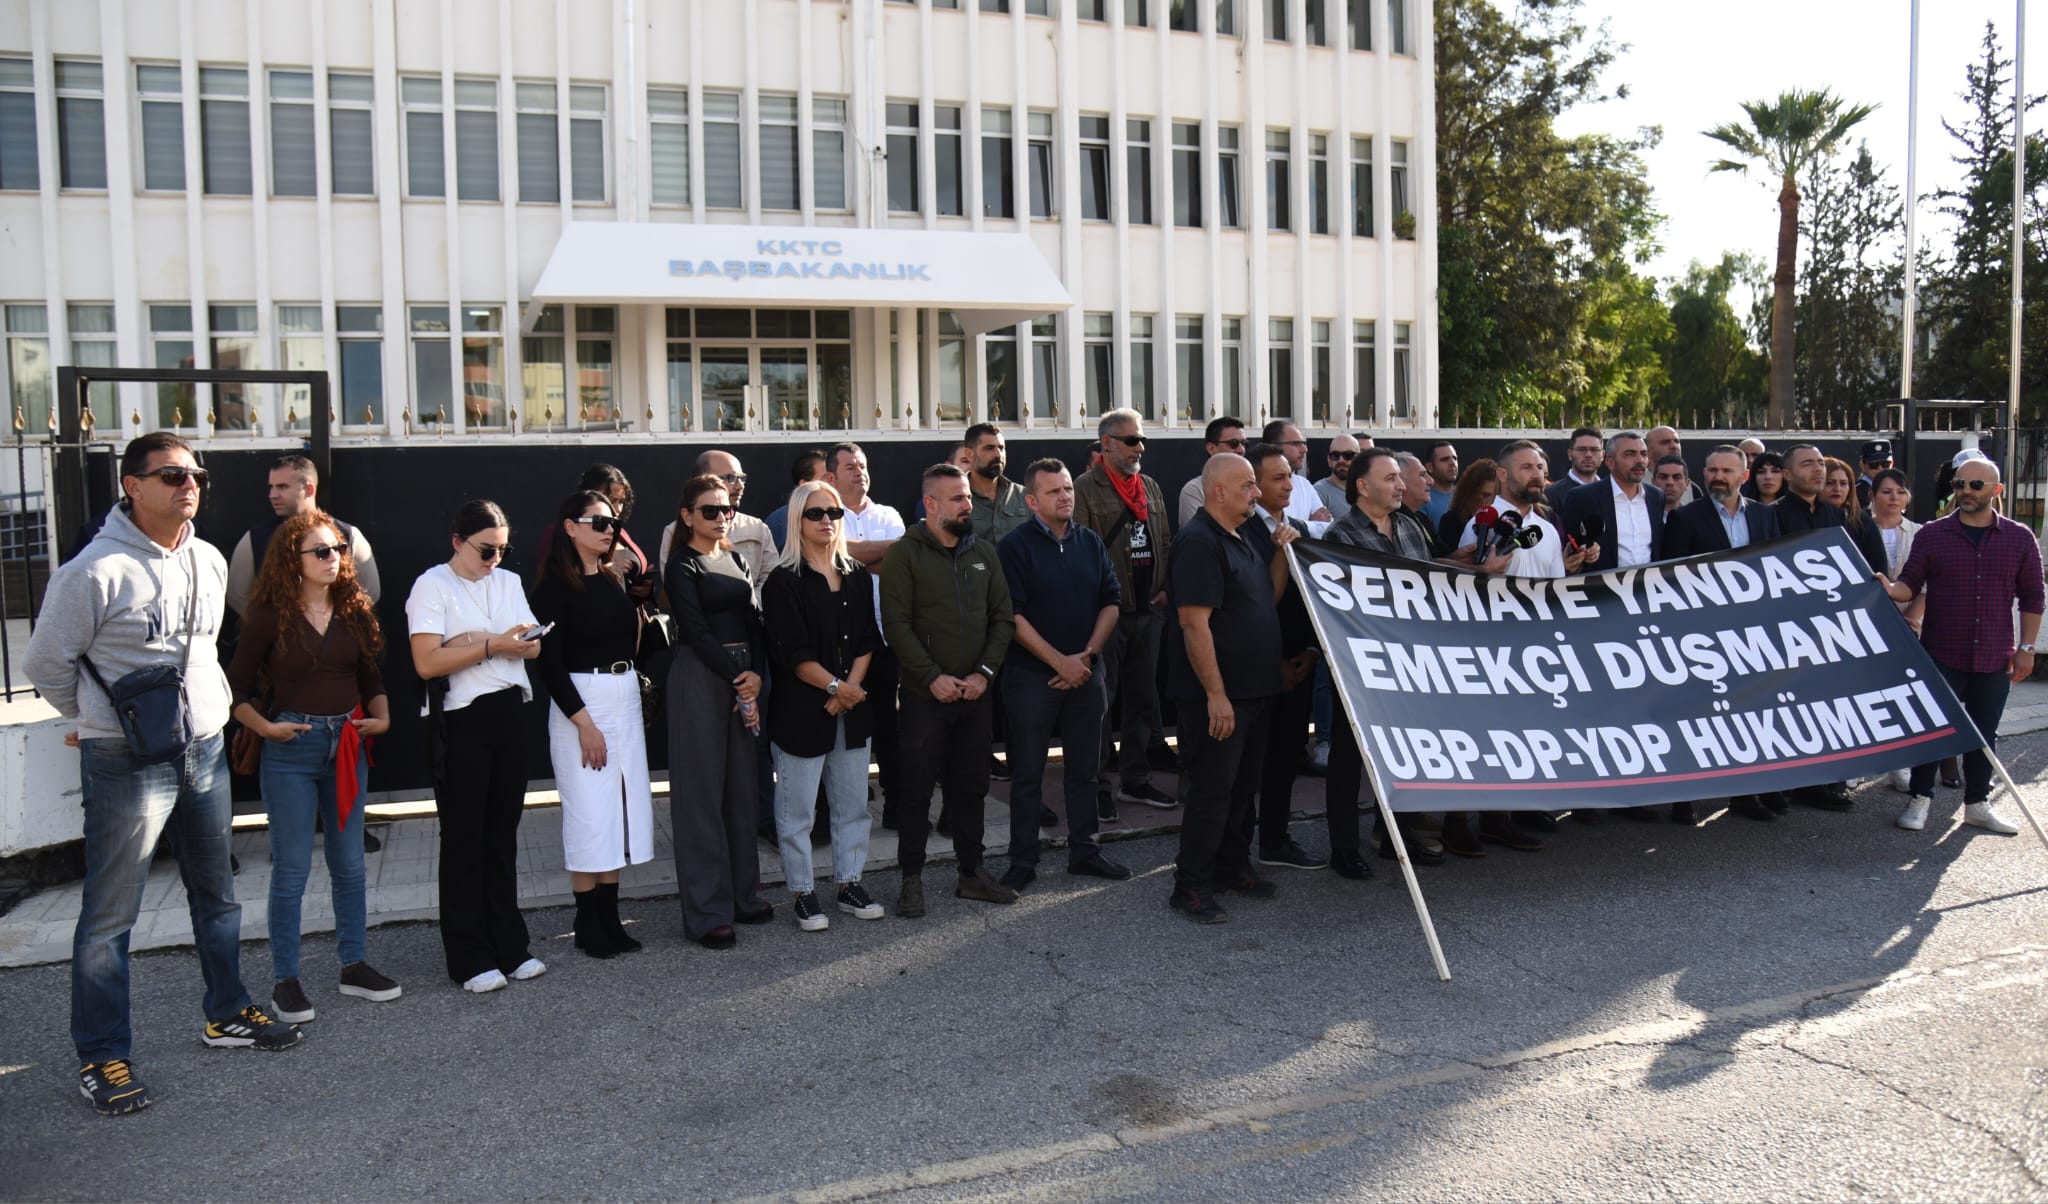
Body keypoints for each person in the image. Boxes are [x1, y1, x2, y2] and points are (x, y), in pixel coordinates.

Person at [25, 432, 302, 1116]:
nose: (190, 486)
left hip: (203, 747)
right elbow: (44, 666)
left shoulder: (208, 559)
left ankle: (228, 1010)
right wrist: (99, 715)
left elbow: (209, 651)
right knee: (110, 916)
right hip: (124, 758)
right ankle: (103, 1056)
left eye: (197, 475)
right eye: (172, 475)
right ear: (132, 485)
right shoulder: (91, 573)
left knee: (218, 895)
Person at [226, 508, 397, 1023]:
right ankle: (286, 980)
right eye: (321, 551)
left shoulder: (353, 609)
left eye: (339, 550)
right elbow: (231, 690)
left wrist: (382, 718)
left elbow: (371, 678)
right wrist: (265, 727)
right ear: (291, 560)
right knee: (292, 869)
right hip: (291, 748)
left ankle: (354, 964)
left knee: (348, 863)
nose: (334, 559)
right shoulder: (267, 617)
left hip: (345, 744)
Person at [406, 499, 548, 993]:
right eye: (486, 550)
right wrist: (491, 645)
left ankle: (510, 944)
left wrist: (481, 641)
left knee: (503, 834)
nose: (495, 561)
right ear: (457, 542)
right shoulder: (431, 585)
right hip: (462, 718)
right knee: (464, 836)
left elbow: (532, 643)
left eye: (504, 551)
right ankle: (468, 955)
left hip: (508, 710)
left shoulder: (506, 582)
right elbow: (426, 662)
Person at [880, 463, 1018, 915]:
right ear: (932, 504)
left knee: (971, 788)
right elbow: (896, 625)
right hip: (925, 697)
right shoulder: (905, 554)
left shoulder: (983, 553)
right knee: (916, 792)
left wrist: (984, 674)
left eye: (968, 497)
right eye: (959, 498)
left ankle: (972, 874)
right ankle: (911, 881)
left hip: (975, 695)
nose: (968, 505)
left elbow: (1002, 617)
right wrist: (931, 677)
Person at [1881, 457, 2041, 836]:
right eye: (1959, 485)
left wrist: (2028, 648)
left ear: (1996, 491)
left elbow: (2033, 596)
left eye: (1975, 485)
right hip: (1942, 653)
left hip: (1995, 653)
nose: (1965, 492)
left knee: (1984, 732)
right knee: (1933, 729)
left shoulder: (2019, 537)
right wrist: (1890, 590)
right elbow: (1910, 583)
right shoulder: (1932, 535)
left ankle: (1977, 804)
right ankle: (1920, 799)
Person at [1164, 453, 1288, 923]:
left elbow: (1267, 598)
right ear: (1218, 491)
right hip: (1217, 697)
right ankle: (1190, 886)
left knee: (1242, 789)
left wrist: (1279, 552)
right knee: (1212, 791)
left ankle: (1232, 867)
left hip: (1255, 691)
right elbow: (1194, 627)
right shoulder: (1198, 542)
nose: (1257, 494)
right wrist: (1217, 695)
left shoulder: (1242, 537)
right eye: (1249, 486)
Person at [996, 459, 1130, 890]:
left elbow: (1111, 601)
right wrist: (1060, 662)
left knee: (1087, 771)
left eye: (1069, 488)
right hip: (1032, 679)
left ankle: (1085, 852)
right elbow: (1011, 616)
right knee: (1028, 775)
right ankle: (1023, 861)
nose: (1066, 496)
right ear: (1032, 501)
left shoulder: (1089, 542)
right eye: (1054, 491)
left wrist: (1086, 657)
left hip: (1087, 674)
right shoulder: (1014, 547)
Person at [530, 490, 654, 959]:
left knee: (618, 809)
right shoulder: (551, 589)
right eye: (598, 522)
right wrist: (582, 722)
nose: (609, 531)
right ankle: (588, 920)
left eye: (613, 524)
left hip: (622, 697)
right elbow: (550, 666)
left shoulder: (610, 580)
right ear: (569, 527)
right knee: (587, 811)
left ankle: (609, 916)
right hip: (581, 704)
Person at [760, 478, 887, 931]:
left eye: (833, 513)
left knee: (853, 804)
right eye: (815, 513)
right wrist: (837, 689)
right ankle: (802, 892)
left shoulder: (854, 572)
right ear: (797, 519)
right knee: (797, 812)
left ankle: (850, 882)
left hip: (851, 709)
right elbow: (790, 653)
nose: (826, 522)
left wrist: (848, 690)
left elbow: (868, 639)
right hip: (801, 712)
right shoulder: (782, 580)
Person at [1323, 448, 1449, 868]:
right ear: (1363, 486)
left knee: (1406, 752)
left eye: (1400, 478)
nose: (1401, 485)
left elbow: (1429, 590)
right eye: (1391, 478)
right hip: (1360, 666)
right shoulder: (1339, 536)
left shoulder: (1411, 528)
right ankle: (1344, 848)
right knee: (1348, 758)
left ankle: (1397, 835)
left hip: (1411, 664)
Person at [664, 474, 773, 949]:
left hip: (743, 676)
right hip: (701, 677)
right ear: (687, 515)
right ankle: (708, 912)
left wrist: (757, 676)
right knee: (701, 797)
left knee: (742, 793)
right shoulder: (681, 564)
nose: (720, 517)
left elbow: (756, 622)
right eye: (709, 509)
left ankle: (742, 897)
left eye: (725, 509)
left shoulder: (733, 558)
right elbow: (694, 629)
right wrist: (737, 678)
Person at [1659, 446, 1785, 823]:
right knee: (1694, 714)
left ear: (1744, 476)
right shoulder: (1684, 518)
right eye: (1712, 469)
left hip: (1751, 635)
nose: (1718, 477)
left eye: (1727, 471)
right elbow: (1672, 580)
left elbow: (1774, 569)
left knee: (1745, 714)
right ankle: (1684, 797)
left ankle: (1744, 796)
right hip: (1700, 636)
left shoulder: (1764, 516)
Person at [1074, 409, 1178, 816]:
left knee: (1140, 702)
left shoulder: (1148, 486)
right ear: (1106, 444)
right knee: (1100, 703)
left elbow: (1165, 540)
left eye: (1142, 440)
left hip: (1148, 611)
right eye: (1131, 440)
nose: (1140, 447)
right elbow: (1080, 552)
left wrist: (1166, 587)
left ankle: (1135, 779)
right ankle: (1096, 784)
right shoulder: (1084, 487)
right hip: (1109, 614)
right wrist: (1101, 605)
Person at [1774, 443, 1888, 812]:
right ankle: (1785, 782)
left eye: (1821, 463)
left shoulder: (1836, 517)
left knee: (1827, 702)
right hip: (1786, 627)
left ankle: (1826, 782)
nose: (1818, 470)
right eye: (1808, 464)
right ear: (1788, 474)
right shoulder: (1771, 515)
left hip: (1829, 628)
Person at [1240, 443, 1327, 873]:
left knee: (1286, 758)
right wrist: (1274, 662)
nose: (1289, 484)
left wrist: (1310, 652)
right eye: (1278, 477)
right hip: (1258, 670)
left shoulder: (1299, 528)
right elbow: (1252, 607)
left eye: (1290, 475)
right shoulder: (1242, 531)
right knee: (1249, 765)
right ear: (1253, 484)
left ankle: (1274, 839)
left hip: (1300, 663)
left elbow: (1313, 600)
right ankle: (1235, 850)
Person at [829, 442, 908, 825]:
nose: (859, 471)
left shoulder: (888, 513)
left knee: (891, 729)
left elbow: (901, 563)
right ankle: (843, 811)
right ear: (831, 476)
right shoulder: (827, 515)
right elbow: (834, 557)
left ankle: (896, 807)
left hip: (888, 636)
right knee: (844, 728)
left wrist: (855, 554)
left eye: (862, 465)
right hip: (841, 643)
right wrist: (874, 553)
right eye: (849, 466)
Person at [225, 453, 380, 616]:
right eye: (271, 487)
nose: (273, 495)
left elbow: (370, 593)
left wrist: (330, 626)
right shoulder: (255, 539)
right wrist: (275, 627)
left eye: (282, 486)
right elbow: (237, 596)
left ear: (309, 489)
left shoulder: (348, 535)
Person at [661, 449, 776, 590]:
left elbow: (772, 578)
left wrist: (747, 604)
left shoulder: (757, 528)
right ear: (705, 480)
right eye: (731, 478)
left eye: (742, 478)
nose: (740, 486)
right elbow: (676, 588)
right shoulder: (674, 532)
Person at [1560, 431, 1663, 573]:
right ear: (1610, 462)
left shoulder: (1656, 496)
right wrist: (1582, 552)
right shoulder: (1583, 497)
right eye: (1630, 454)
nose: (1639, 460)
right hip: (1602, 590)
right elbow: (1568, 545)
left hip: (1648, 589)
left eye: (1643, 454)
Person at [1259, 420, 1332, 536]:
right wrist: (1310, 525)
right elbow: (1274, 527)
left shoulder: (1304, 484)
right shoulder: (1260, 485)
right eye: (1297, 444)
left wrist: (1302, 525)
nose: (1304, 450)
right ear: (1273, 446)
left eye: (1304, 443)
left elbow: (1328, 528)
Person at [965, 422, 1030, 543]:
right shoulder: (957, 498)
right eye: (989, 448)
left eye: (1001, 448)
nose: (998, 455)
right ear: (969, 454)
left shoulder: (1024, 496)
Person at [1180, 416, 1250, 526]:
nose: (1241, 450)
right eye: (1234, 443)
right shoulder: (1195, 490)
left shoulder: (1253, 488)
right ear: (1211, 448)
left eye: (1244, 443)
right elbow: (1198, 536)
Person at [765, 448, 829, 551]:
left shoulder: (843, 512)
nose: (832, 482)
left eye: (833, 476)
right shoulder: (779, 521)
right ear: (804, 484)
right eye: (825, 477)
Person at [1435, 459, 1500, 557]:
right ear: (1470, 492)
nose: (1490, 501)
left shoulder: (1501, 521)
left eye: (1496, 496)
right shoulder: (1451, 520)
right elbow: (1443, 561)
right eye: (1484, 495)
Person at [1543, 426, 1605, 512]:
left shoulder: (1611, 492)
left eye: (1594, 450)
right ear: (1570, 454)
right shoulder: (1551, 494)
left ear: (1602, 455)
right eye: (1581, 449)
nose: (1588, 455)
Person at [1394, 451, 1444, 556]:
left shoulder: (1422, 518)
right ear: (1401, 481)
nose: (1431, 481)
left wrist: (1458, 557)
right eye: (1422, 475)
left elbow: (1439, 555)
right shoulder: (1393, 523)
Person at [1645, 426, 1704, 506]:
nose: (1674, 446)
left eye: (1676, 441)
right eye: (1665, 442)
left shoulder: (1692, 489)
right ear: (1649, 451)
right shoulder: (1635, 485)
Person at [1313, 433, 1361, 516]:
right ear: (1329, 460)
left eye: (1348, 455)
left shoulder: (1368, 489)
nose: (1341, 460)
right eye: (1335, 455)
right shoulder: (1319, 492)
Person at [1420, 441, 1459, 527]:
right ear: (1430, 467)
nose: (1452, 463)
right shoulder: (1423, 500)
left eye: (1455, 458)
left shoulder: (1467, 495)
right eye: (1445, 459)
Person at [1856, 439, 1894, 508]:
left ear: (1892, 464)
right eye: (1874, 465)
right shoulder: (1856, 491)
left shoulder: (1896, 488)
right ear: (1862, 465)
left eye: (1885, 464)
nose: (1880, 469)